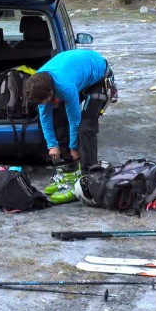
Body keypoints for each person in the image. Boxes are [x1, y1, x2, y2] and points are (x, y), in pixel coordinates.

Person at [24, 48, 115, 203]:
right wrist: (52, 145)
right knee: (56, 115)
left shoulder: (64, 86)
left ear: (51, 91)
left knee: (86, 127)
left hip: (99, 77)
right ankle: (70, 172)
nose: (43, 104)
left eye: (44, 100)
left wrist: (74, 148)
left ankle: (88, 179)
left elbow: (75, 120)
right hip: (77, 76)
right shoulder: (38, 83)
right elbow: (45, 117)